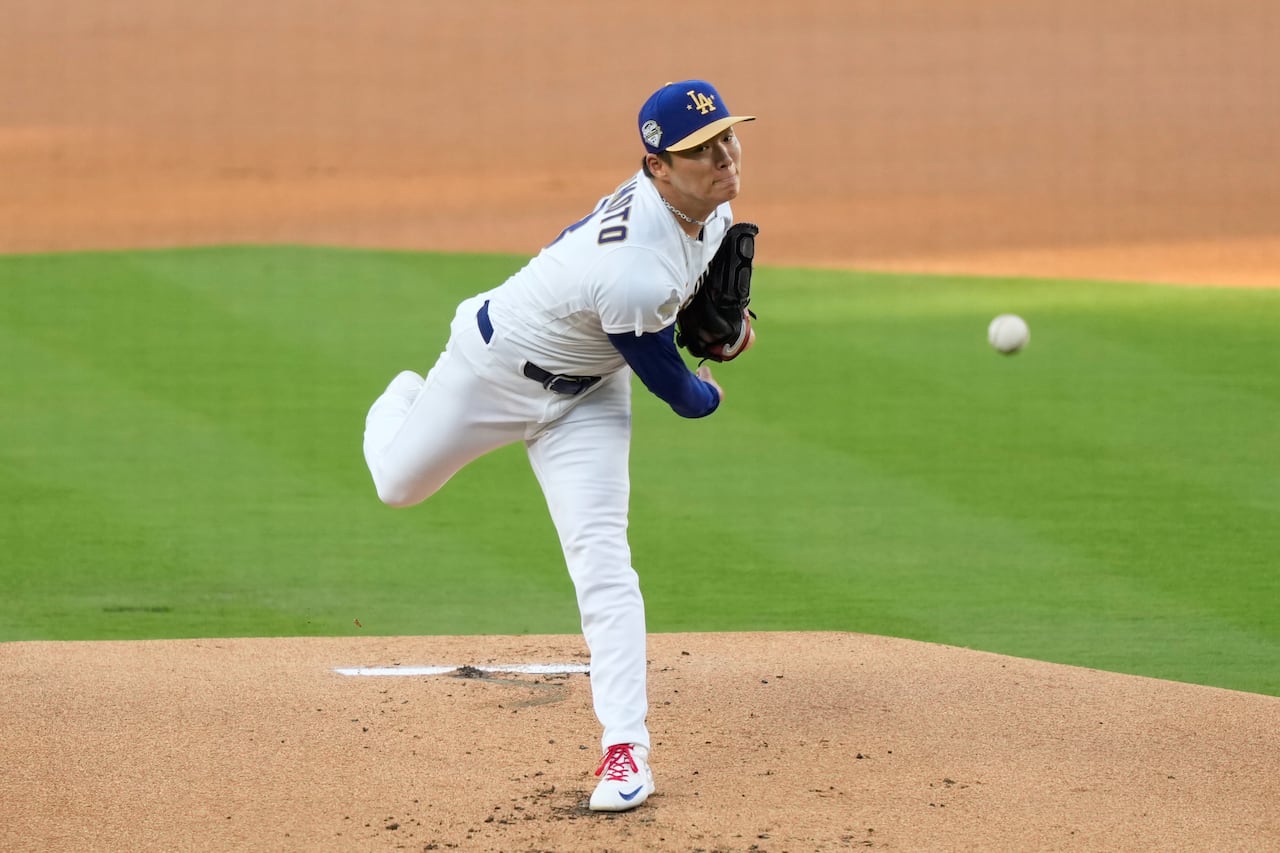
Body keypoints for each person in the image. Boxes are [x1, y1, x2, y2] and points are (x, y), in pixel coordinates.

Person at [361, 79, 756, 812]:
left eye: (727, 137)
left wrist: (730, 331)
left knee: (603, 560)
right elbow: (678, 390)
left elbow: (697, 306)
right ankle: (406, 395)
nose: (725, 157)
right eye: (701, 150)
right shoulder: (631, 264)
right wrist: (712, 386)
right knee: (397, 483)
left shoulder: (715, 209)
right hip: (489, 373)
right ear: (657, 166)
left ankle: (625, 748)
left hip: (587, 397)